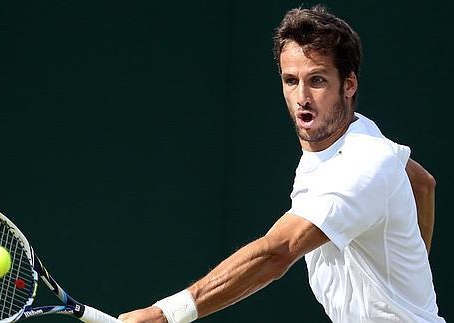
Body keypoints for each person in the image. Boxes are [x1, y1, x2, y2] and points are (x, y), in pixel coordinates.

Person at [119, 5, 443, 323]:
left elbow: (277, 253)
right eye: (291, 80)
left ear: (349, 84)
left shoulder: (363, 164)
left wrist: (167, 314)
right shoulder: (362, 145)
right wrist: (408, 277)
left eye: (317, 80)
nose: (302, 96)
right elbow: (422, 184)